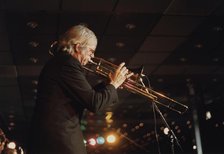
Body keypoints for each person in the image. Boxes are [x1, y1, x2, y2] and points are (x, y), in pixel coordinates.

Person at [28, 24, 132, 154]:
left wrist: (109, 84)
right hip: (59, 140)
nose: (92, 57)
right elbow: (95, 103)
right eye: (91, 51)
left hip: (52, 138)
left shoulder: (61, 62)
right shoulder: (68, 64)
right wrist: (114, 84)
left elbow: (86, 95)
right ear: (78, 47)